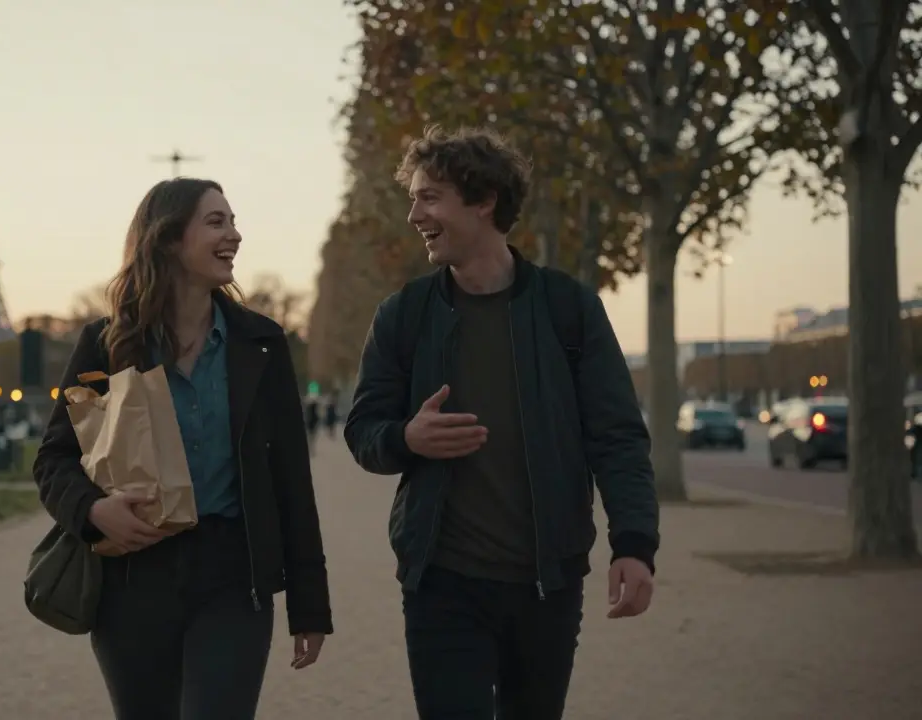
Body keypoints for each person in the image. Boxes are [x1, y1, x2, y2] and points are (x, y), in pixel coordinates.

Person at [343, 125, 659, 720]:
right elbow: (364, 433)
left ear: (485, 201)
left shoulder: (569, 311)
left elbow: (616, 437)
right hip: (441, 584)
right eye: (414, 198)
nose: (414, 214)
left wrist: (635, 544)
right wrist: (406, 438)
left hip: (548, 584)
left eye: (429, 196)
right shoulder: (404, 316)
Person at [32, 177, 333, 720]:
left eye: (234, 221)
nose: (235, 235)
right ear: (169, 239)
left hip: (233, 580)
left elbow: (291, 477)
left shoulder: (260, 343)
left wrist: (310, 605)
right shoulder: (106, 344)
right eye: (216, 222)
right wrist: (94, 512)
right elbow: (53, 458)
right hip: (131, 583)